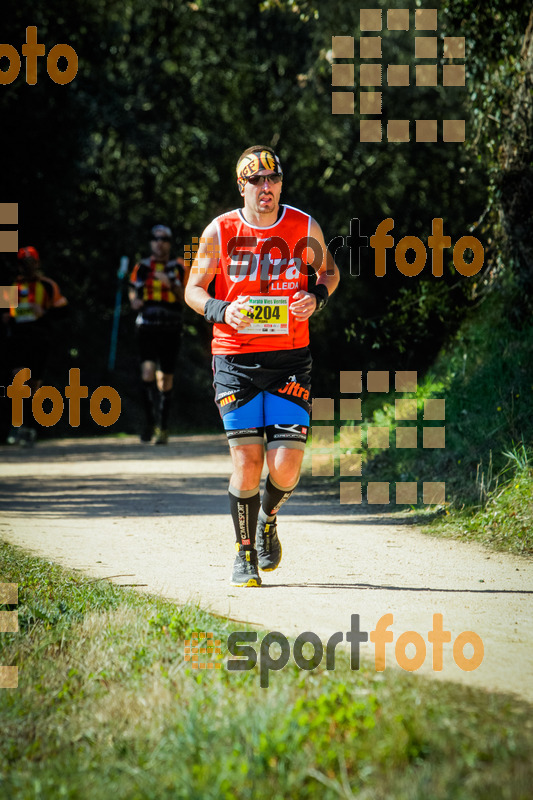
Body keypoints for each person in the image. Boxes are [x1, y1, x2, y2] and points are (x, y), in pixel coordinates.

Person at [185, 145, 340, 586]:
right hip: (234, 358)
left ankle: (267, 517)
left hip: (290, 359)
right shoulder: (219, 231)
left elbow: (329, 273)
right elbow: (193, 289)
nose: (266, 187)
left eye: (273, 179)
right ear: (242, 186)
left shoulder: (303, 225)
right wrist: (220, 309)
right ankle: (244, 555)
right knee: (248, 462)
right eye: (256, 180)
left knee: (287, 465)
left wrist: (318, 297)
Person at [128, 225, 188, 444]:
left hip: (171, 327)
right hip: (146, 327)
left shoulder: (180, 266)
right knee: (147, 374)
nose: (159, 242)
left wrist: (170, 284)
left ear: (170, 242)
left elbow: (187, 297)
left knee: (166, 380)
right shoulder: (142, 267)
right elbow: (133, 291)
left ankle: (163, 427)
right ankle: (148, 423)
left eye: (164, 239)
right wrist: (134, 300)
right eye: (155, 238)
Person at [4, 246, 68, 446]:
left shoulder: (47, 286)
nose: (27, 267)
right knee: (18, 379)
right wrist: (8, 316)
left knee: (33, 386)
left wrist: (43, 312)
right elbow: (5, 313)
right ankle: (16, 426)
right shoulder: (12, 286)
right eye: (24, 263)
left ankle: (29, 428)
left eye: (31, 263)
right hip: (18, 339)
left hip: (40, 340)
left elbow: (63, 310)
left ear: (38, 264)